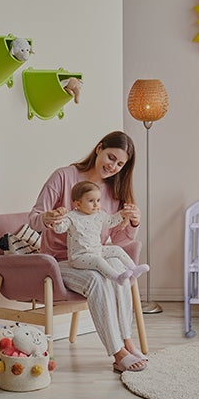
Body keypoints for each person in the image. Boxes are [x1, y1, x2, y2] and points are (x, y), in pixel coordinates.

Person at [29, 131, 149, 373]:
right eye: (111, 157)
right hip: (61, 262)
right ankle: (118, 353)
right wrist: (47, 218)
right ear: (99, 148)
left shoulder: (114, 191)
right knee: (98, 279)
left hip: (95, 255)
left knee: (118, 270)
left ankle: (127, 339)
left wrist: (133, 222)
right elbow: (33, 220)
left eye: (120, 163)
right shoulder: (64, 176)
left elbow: (117, 240)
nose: (113, 166)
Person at [52, 180, 149, 285]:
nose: (96, 204)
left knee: (116, 249)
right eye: (91, 201)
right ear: (78, 203)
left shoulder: (99, 215)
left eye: (98, 200)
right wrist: (58, 218)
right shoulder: (71, 217)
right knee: (98, 261)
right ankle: (117, 278)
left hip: (97, 250)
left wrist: (122, 214)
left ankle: (134, 269)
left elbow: (111, 221)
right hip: (79, 257)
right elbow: (59, 229)